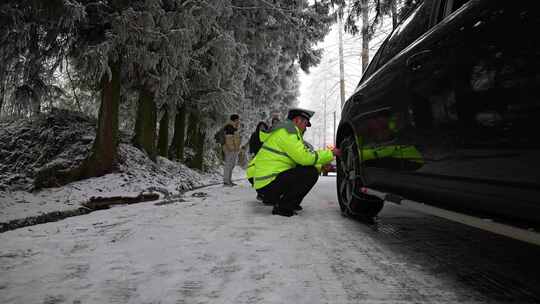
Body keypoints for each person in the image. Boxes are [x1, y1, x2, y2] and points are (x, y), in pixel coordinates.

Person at [252, 107, 341, 216]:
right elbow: (304, 158)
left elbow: (299, 160)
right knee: (310, 173)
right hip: (268, 184)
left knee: (309, 170)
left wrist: (320, 167)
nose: (306, 128)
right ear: (297, 120)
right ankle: (283, 207)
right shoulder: (288, 132)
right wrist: (331, 153)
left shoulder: (287, 130)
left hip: (268, 181)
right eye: (305, 123)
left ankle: (288, 203)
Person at [223, 114, 241, 186]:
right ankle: (226, 181)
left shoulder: (233, 127)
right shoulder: (229, 127)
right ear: (235, 120)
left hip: (233, 149)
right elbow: (229, 139)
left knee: (231, 165)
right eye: (238, 119)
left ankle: (228, 180)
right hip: (230, 150)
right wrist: (232, 149)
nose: (239, 121)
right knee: (228, 165)